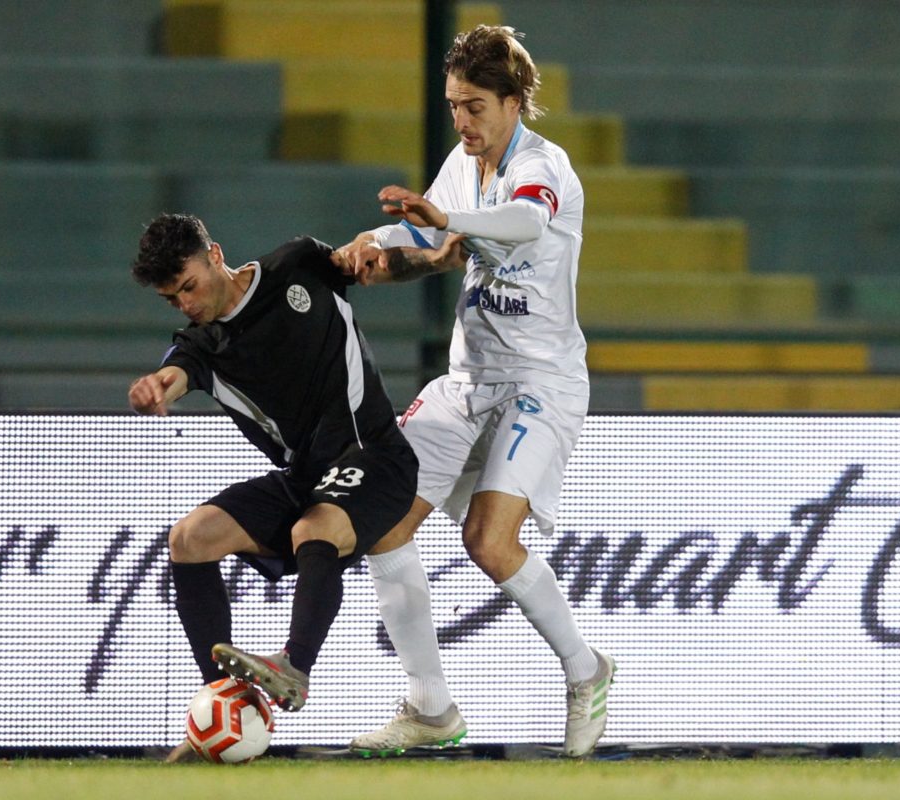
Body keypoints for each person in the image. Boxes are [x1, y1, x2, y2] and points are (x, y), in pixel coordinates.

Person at [339, 24, 614, 759]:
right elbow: (429, 249)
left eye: (475, 106)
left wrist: (445, 221)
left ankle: (587, 671)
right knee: (383, 522)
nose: (462, 121)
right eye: (455, 105)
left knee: (488, 542)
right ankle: (431, 709)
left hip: (540, 385)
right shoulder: (462, 167)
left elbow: (522, 223)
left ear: (515, 101)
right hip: (468, 382)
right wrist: (362, 252)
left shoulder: (544, 167)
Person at [127, 213, 438, 760]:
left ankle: (293, 667)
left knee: (313, 528)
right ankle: (226, 701)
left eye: (189, 287)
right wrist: (159, 388)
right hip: (305, 478)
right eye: (171, 299)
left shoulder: (296, 263)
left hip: (374, 454)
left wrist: (417, 253)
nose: (186, 304)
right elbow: (176, 372)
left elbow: (365, 264)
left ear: (215, 255)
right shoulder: (201, 345)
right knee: (189, 539)